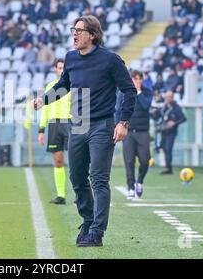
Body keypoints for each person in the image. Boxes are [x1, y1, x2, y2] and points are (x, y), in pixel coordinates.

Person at [32, 15, 136, 247]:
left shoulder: (111, 60)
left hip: (102, 125)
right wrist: (44, 100)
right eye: (73, 30)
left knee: (98, 179)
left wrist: (123, 122)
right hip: (77, 125)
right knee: (77, 178)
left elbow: (129, 91)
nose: (74, 34)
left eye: (79, 30)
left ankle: (97, 233)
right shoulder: (70, 58)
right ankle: (88, 221)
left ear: (93, 34)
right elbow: (64, 85)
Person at [37, 59, 71, 205]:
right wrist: (41, 129)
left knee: (79, 161)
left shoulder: (73, 85)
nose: (61, 70)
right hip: (54, 125)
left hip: (71, 123)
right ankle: (61, 195)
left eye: (64, 68)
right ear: (56, 70)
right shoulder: (50, 87)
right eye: (59, 68)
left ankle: (81, 194)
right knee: (58, 160)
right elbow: (45, 109)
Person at [116, 70, 153, 199]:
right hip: (129, 131)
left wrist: (138, 93)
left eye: (139, 79)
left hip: (143, 131)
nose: (138, 81)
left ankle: (140, 181)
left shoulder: (147, 92)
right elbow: (118, 110)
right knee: (129, 161)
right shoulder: (123, 92)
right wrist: (117, 126)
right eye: (135, 79)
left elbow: (146, 106)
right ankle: (131, 187)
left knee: (145, 160)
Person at [158, 91, 187, 175]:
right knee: (163, 148)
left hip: (172, 132)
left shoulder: (176, 107)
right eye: (166, 97)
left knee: (168, 148)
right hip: (164, 131)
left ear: (172, 97)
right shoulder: (165, 107)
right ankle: (167, 166)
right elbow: (162, 117)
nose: (167, 98)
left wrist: (174, 123)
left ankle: (168, 167)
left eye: (169, 97)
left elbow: (183, 118)